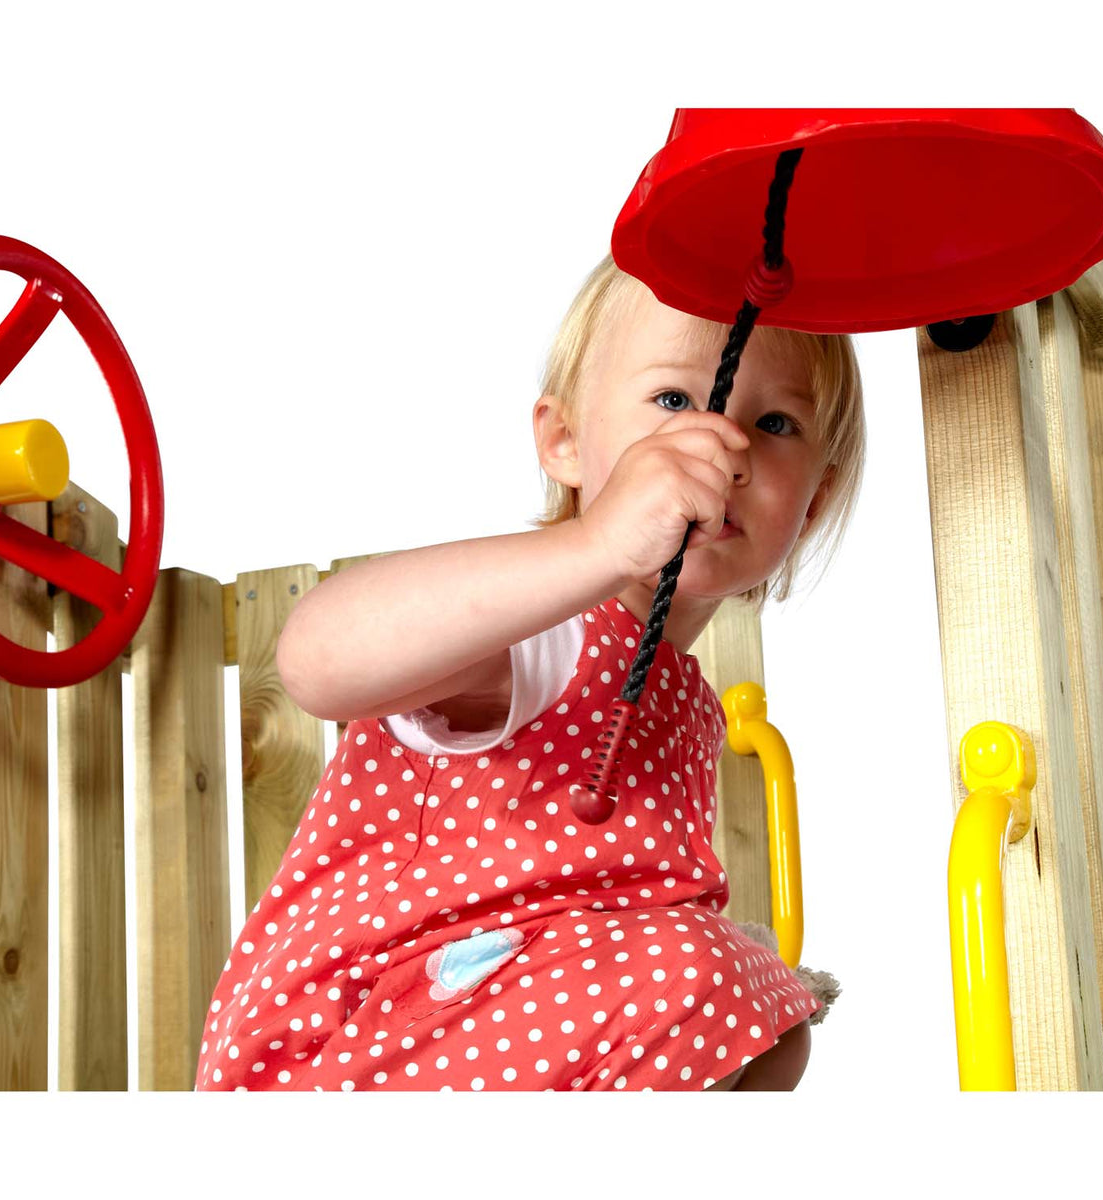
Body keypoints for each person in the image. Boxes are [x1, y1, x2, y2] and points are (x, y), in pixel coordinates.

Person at [193, 252, 865, 1092]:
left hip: (488, 1035)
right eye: (673, 401)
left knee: (770, 1026)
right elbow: (316, 661)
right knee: (704, 973)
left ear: (816, 503)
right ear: (565, 443)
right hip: (336, 1052)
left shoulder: (683, 703)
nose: (722, 446)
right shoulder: (537, 628)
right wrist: (596, 546)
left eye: (775, 426)